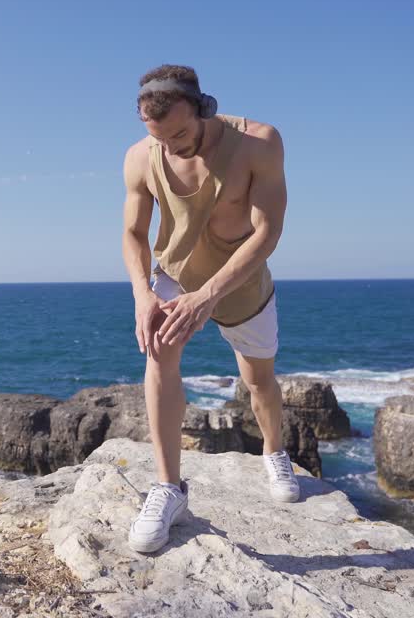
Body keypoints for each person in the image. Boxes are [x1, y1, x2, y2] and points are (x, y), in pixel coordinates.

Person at [120, 64, 298, 554]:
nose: (170, 147)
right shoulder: (140, 157)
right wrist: (142, 294)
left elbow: (268, 232)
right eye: (159, 137)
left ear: (205, 108)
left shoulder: (259, 142)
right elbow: (133, 233)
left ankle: (274, 451)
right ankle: (169, 488)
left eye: (179, 134)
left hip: (239, 277)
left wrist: (209, 295)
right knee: (158, 355)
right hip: (177, 272)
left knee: (258, 380)